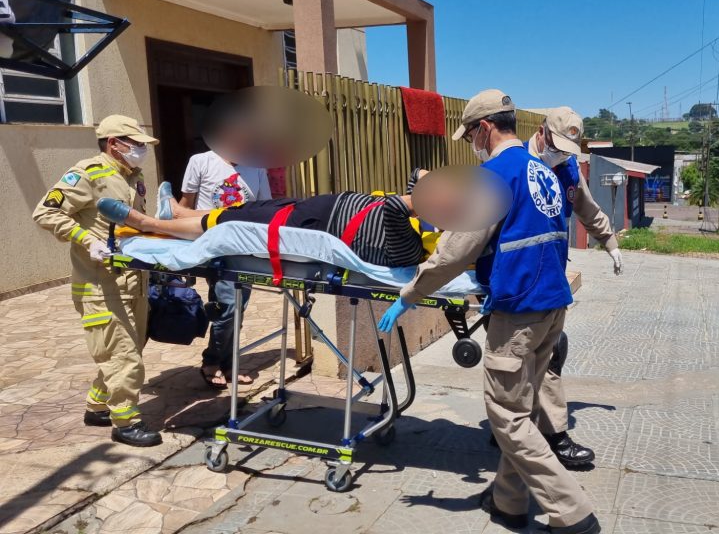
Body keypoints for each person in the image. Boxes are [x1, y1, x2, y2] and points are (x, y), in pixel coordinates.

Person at [378, 90, 600, 534]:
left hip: (519, 311)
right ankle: (507, 501)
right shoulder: (543, 171)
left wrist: (410, 294)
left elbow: (456, 250)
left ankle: (572, 513)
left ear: (483, 128)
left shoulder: (495, 175)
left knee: (508, 417)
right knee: (521, 409)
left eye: (470, 136)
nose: (471, 145)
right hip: (552, 306)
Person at [32, 115, 162, 448]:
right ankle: (126, 421)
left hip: (134, 280)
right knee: (123, 356)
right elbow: (45, 213)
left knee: (130, 347)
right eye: (134, 144)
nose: (140, 150)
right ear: (113, 143)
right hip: (99, 285)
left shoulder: (133, 176)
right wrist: (85, 239)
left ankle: (96, 405)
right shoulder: (87, 173)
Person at [519, 106, 622, 468]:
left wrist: (610, 242)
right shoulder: (514, 166)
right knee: (518, 363)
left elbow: (588, 210)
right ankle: (514, 430)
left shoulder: (567, 170)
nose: (560, 153)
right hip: (515, 285)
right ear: (541, 131)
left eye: (568, 148)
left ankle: (547, 434)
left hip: (551, 281)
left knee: (548, 358)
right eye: (557, 144)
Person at [96, 169, 431, 269]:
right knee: (238, 211)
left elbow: (396, 207)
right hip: (309, 211)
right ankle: (180, 212)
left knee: (228, 225)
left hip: (308, 227)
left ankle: (148, 224)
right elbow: (418, 176)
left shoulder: (408, 251)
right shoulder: (421, 230)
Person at [179, 148, 271, 388]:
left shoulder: (257, 165)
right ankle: (212, 361)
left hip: (245, 248)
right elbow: (184, 206)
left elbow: (265, 209)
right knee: (228, 305)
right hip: (213, 245)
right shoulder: (200, 161)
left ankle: (228, 364)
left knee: (238, 307)